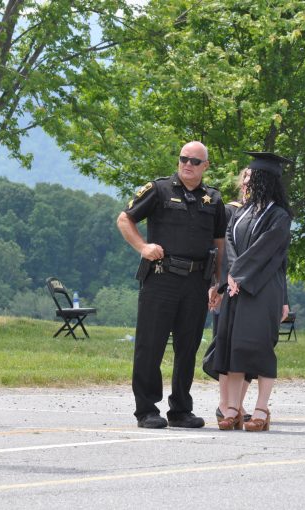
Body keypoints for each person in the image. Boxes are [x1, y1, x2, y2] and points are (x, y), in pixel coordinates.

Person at [116, 141, 226, 429]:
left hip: (196, 280)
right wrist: (143, 247)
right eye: (183, 158)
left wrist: (218, 283)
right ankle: (146, 410)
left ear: (205, 166)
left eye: (195, 161)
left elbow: (219, 243)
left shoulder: (213, 199)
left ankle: (180, 409)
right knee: (150, 345)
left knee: (187, 347)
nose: (188, 164)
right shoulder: (159, 189)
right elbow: (124, 219)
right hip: (161, 277)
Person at [213, 151, 293, 432]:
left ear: (263, 180)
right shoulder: (242, 211)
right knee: (234, 347)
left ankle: (261, 409)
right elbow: (230, 242)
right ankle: (233, 409)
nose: (246, 181)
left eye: (252, 176)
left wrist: (239, 274)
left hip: (264, 288)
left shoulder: (279, 216)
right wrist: (232, 276)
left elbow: (265, 250)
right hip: (238, 287)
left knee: (259, 347)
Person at [202, 168, 251, 423]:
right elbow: (220, 252)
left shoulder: (267, 214)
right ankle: (225, 404)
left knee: (249, 348)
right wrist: (218, 286)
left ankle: (238, 404)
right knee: (225, 346)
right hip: (228, 289)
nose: (247, 185)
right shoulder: (231, 211)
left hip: (253, 291)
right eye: (245, 180)